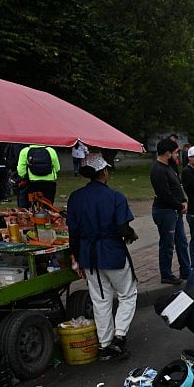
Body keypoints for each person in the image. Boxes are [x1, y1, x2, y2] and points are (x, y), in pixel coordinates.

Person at [66, 154, 138, 361]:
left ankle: (105, 344)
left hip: (88, 255)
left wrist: (77, 258)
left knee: (100, 300)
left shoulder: (75, 197)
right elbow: (123, 228)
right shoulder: (115, 197)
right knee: (127, 294)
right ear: (104, 172)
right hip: (112, 252)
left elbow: (74, 233)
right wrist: (132, 235)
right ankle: (119, 336)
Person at [150, 137, 190, 285]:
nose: (177, 155)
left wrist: (183, 200)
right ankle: (166, 273)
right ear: (167, 153)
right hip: (165, 211)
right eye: (175, 152)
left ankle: (186, 270)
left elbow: (177, 186)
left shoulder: (170, 166)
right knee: (167, 244)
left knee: (182, 241)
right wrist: (178, 205)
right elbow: (164, 194)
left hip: (175, 210)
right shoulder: (158, 169)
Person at [17, 143, 60, 208]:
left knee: (25, 198)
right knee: (48, 203)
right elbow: (57, 168)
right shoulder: (51, 150)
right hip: (49, 181)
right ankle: (47, 214)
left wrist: (24, 177)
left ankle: (26, 212)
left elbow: (21, 169)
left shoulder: (25, 151)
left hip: (32, 181)